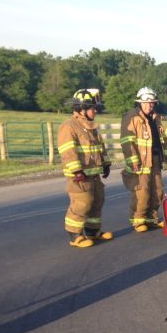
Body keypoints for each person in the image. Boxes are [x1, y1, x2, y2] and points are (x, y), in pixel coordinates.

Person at [57, 88, 113, 248]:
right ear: (81, 109)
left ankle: (92, 232)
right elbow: (68, 150)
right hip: (79, 176)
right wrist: (76, 170)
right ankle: (74, 235)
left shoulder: (90, 127)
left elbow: (100, 147)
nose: (95, 110)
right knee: (82, 203)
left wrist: (106, 163)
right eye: (92, 108)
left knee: (97, 201)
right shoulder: (69, 126)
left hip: (93, 174)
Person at [120, 86, 167, 232]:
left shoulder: (156, 117)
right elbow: (127, 141)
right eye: (147, 103)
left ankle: (151, 218)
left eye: (152, 102)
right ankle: (139, 220)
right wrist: (133, 161)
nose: (150, 105)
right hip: (140, 162)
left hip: (155, 159)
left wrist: (165, 157)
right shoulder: (131, 117)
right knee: (142, 191)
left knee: (157, 190)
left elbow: (162, 140)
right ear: (140, 102)